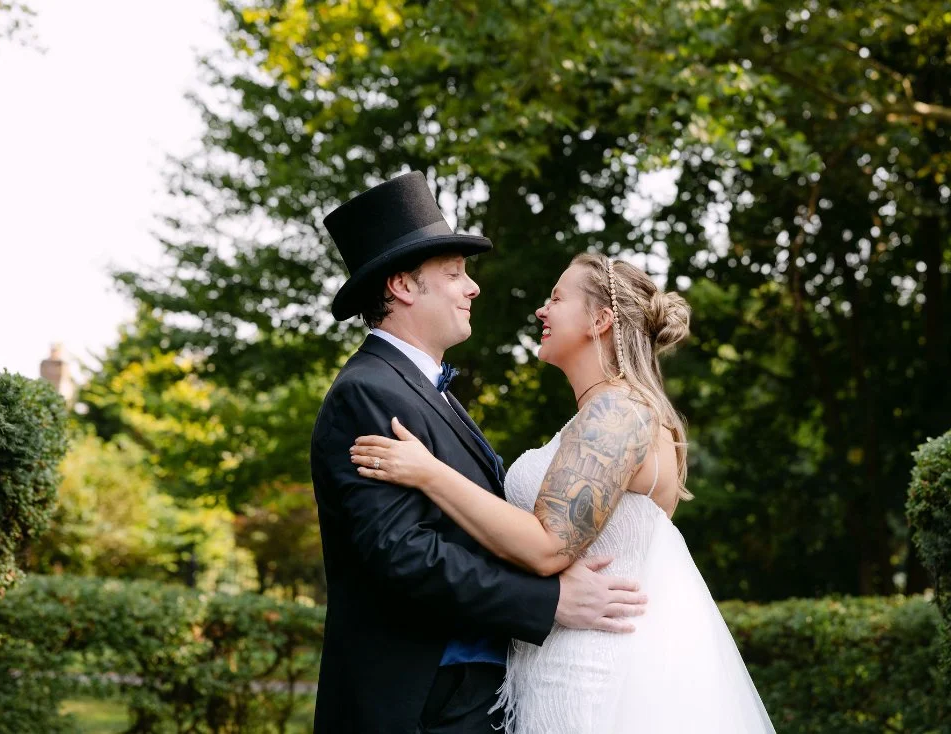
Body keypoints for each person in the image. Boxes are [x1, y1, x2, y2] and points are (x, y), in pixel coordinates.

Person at [351, 252, 778, 733]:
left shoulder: (617, 414)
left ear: (599, 320)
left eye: (556, 298)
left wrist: (428, 473)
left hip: (590, 670)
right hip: (560, 658)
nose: (541, 311)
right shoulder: (610, 413)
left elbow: (548, 546)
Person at [310, 172, 648, 734]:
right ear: (402, 286)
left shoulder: (419, 390)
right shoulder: (369, 392)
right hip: (423, 702)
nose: (473, 288)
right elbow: (404, 553)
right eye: (455, 274)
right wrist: (549, 602)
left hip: (468, 699)